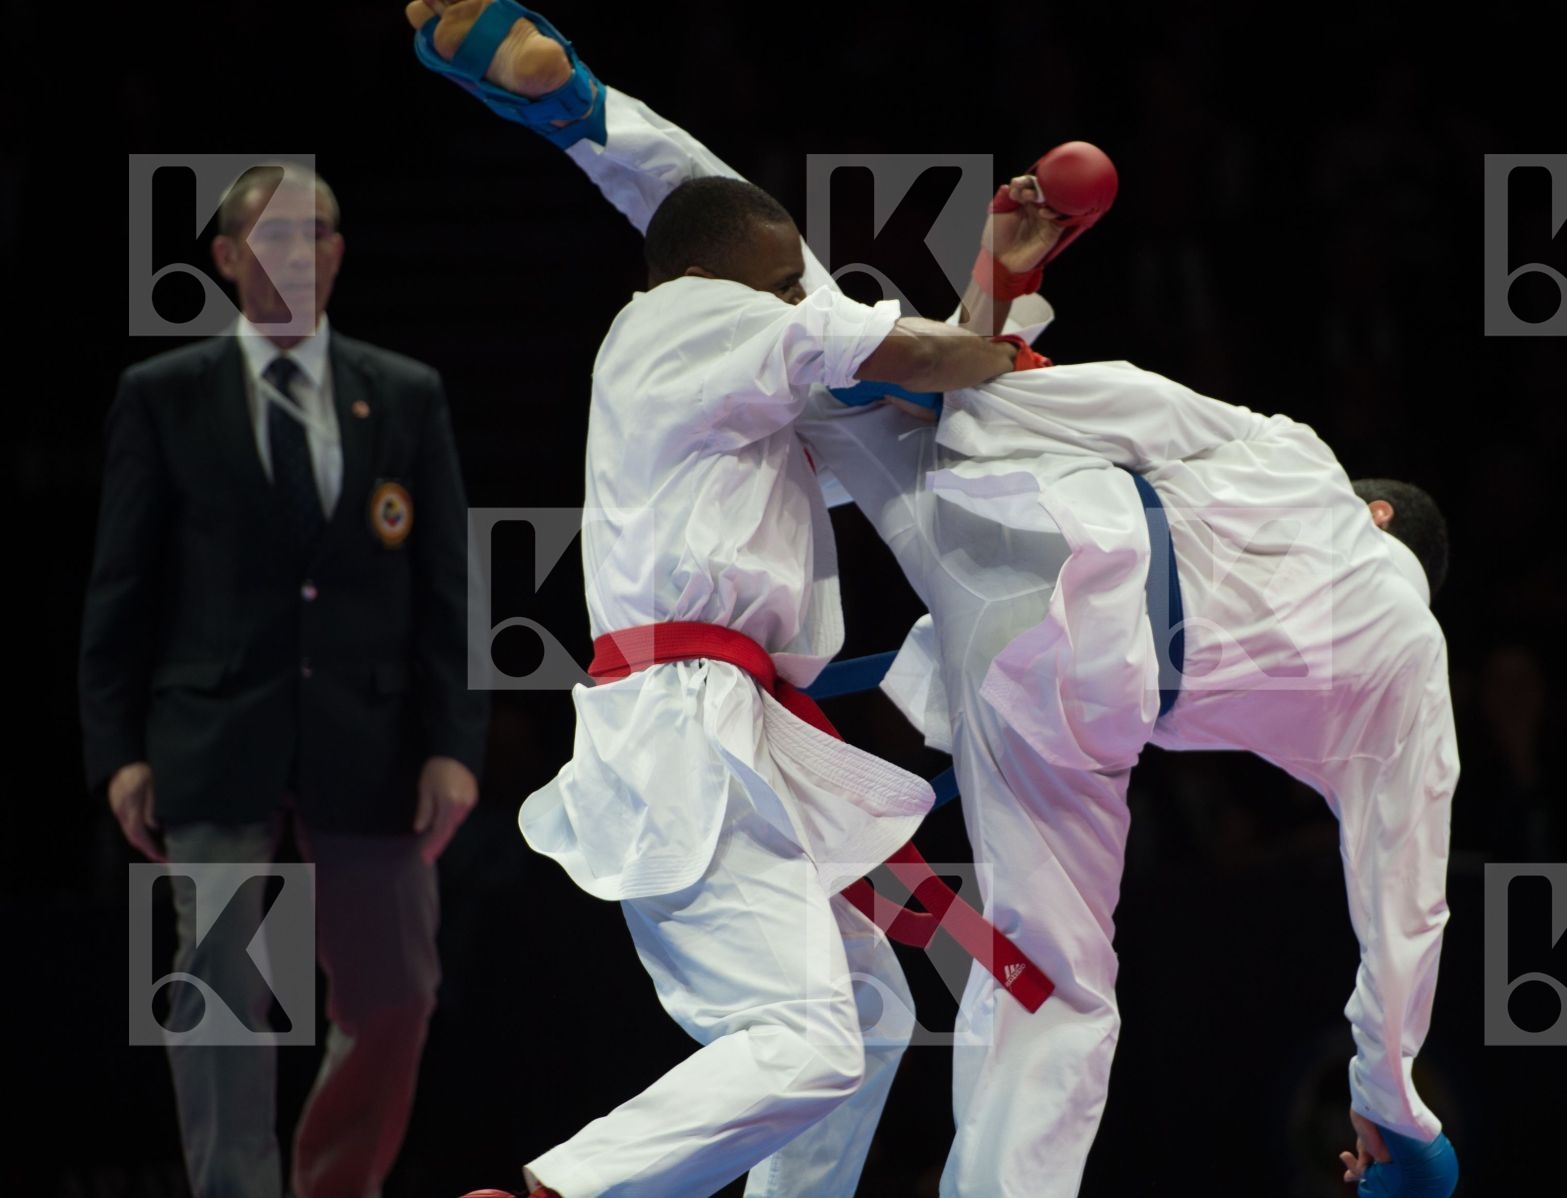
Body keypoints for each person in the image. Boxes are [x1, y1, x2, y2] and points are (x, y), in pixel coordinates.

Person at [409, 3, 1460, 1195]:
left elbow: (1134, 409)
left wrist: (988, 351)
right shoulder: (1408, 667)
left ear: (1378, 511)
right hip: (1094, 712)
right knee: (1055, 996)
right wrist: (1394, 1107)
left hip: (1030, 560)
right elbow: (1403, 902)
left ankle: (588, 114)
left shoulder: (1299, 458)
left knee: (798, 296)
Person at [407, 6, 1035, 1197]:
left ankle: (576, 106)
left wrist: (994, 291)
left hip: (715, 714)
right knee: (808, 1038)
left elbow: (880, 411)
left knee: (868, 1012)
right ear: (739, 276)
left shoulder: (722, 381)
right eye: (786, 278)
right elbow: (911, 363)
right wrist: (1004, 347)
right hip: (690, 724)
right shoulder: (698, 314)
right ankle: (555, 1191)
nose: (801, 294)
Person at [79, 161, 491, 1198]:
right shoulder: (163, 396)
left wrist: (454, 746)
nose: (300, 254)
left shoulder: (404, 392)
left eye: (318, 235)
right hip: (213, 734)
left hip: (374, 738)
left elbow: (450, 587)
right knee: (219, 995)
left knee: (396, 995)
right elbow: (121, 588)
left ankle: (332, 1186)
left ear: (340, 254)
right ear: (226, 257)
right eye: (276, 236)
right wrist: (117, 751)